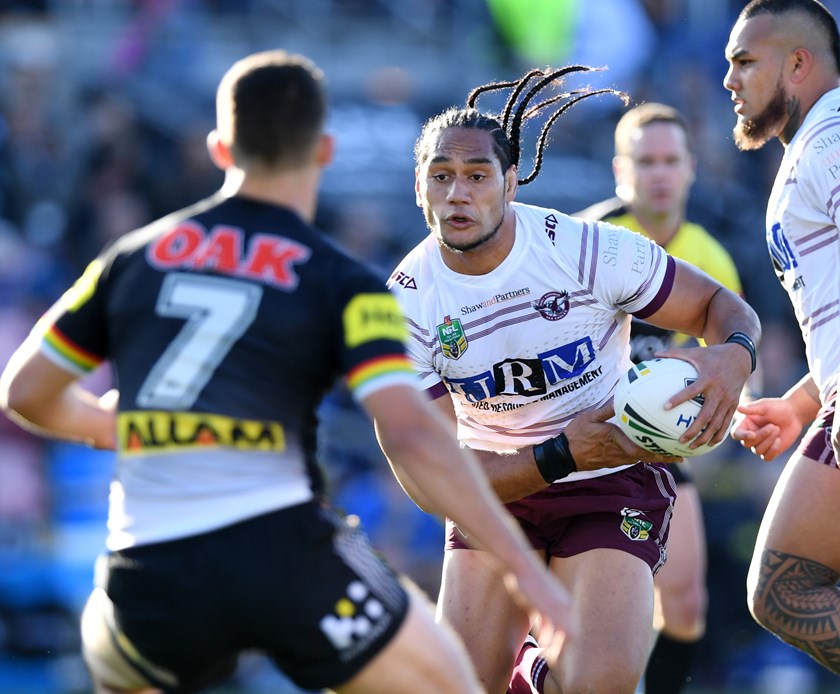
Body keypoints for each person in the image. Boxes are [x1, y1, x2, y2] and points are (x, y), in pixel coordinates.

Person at [0, 50, 576, 694]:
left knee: (113, 654)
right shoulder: (345, 282)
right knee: (453, 684)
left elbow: (24, 392)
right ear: (325, 151)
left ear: (220, 148)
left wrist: (109, 424)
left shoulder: (130, 259)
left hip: (150, 573)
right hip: (287, 560)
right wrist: (522, 566)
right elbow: (414, 434)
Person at [387, 65, 761, 694]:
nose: (458, 194)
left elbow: (725, 312)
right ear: (420, 187)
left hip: (610, 480)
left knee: (599, 685)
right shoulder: (401, 306)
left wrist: (735, 355)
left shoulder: (587, 250)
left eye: (477, 177)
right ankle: (533, 671)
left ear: (510, 182)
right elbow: (426, 482)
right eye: (441, 176)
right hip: (492, 493)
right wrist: (561, 452)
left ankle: (542, 672)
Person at [577, 102, 744, 694]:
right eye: (645, 161)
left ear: (690, 168)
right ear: (621, 169)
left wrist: (719, 428)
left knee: (687, 605)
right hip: (590, 444)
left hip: (663, 446)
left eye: (670, 160)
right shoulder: (589, 241)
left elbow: (728, 369)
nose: (659, 173)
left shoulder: (712, 259)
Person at [724, 0, 840, 676]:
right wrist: (802, 403)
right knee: (780, 588)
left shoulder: (830, 145)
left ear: (797, 64)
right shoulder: (812, 150)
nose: (729, 80)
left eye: (745, 62)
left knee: (783, 587)